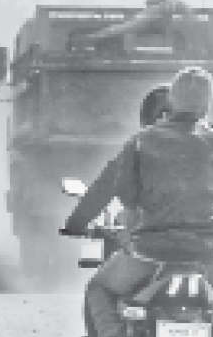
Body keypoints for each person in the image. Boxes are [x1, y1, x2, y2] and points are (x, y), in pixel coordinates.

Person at [63, 66, 213, 337]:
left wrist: (80, 223)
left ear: (172, 101)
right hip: (204, 253)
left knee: (99, 288)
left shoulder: (140, 141)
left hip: (149, 252)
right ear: (208, 103)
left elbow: (125, 194)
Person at [63, 84, 172, 233]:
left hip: (149, 241)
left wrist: (75, 224)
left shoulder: (137, 150)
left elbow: (101, 190)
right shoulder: (204, 145)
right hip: (200, 243)